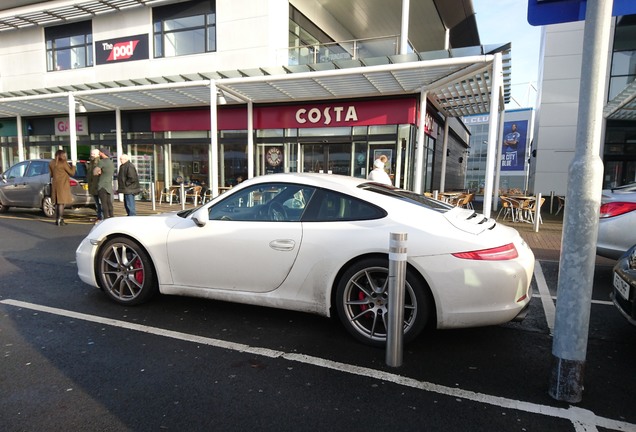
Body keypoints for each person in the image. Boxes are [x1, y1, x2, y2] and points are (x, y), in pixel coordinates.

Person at [48, 149, 76, 226]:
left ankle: (57, 219)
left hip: (55, 184)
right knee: (61, 203)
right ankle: (60, 219)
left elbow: (51, 174)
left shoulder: (52, 163)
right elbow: (72, 173)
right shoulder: (63, 163)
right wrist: (73, 165)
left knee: (57, 202)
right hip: (63, 185)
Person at [97, 149, 115, 219]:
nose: (99, 155)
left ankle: (105, 217)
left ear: (103, 153)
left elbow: (95, 172)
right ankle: (111, 216)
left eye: (100, 153)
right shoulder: (111, 162)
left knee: (103, 203)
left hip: (102, 185)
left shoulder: (102, 162)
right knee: (109, 202)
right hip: (108, 185)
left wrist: (97, 171)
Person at [86, 148, 103, 222]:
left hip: (97, 186)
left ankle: (101, 217)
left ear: (97, 155)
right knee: (97, 203)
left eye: (93, 154)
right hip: (93, 186)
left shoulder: (98, 162)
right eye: (91, 154)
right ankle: (99, 217)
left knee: (100, 203)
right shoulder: (91, 162)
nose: (91, 155)